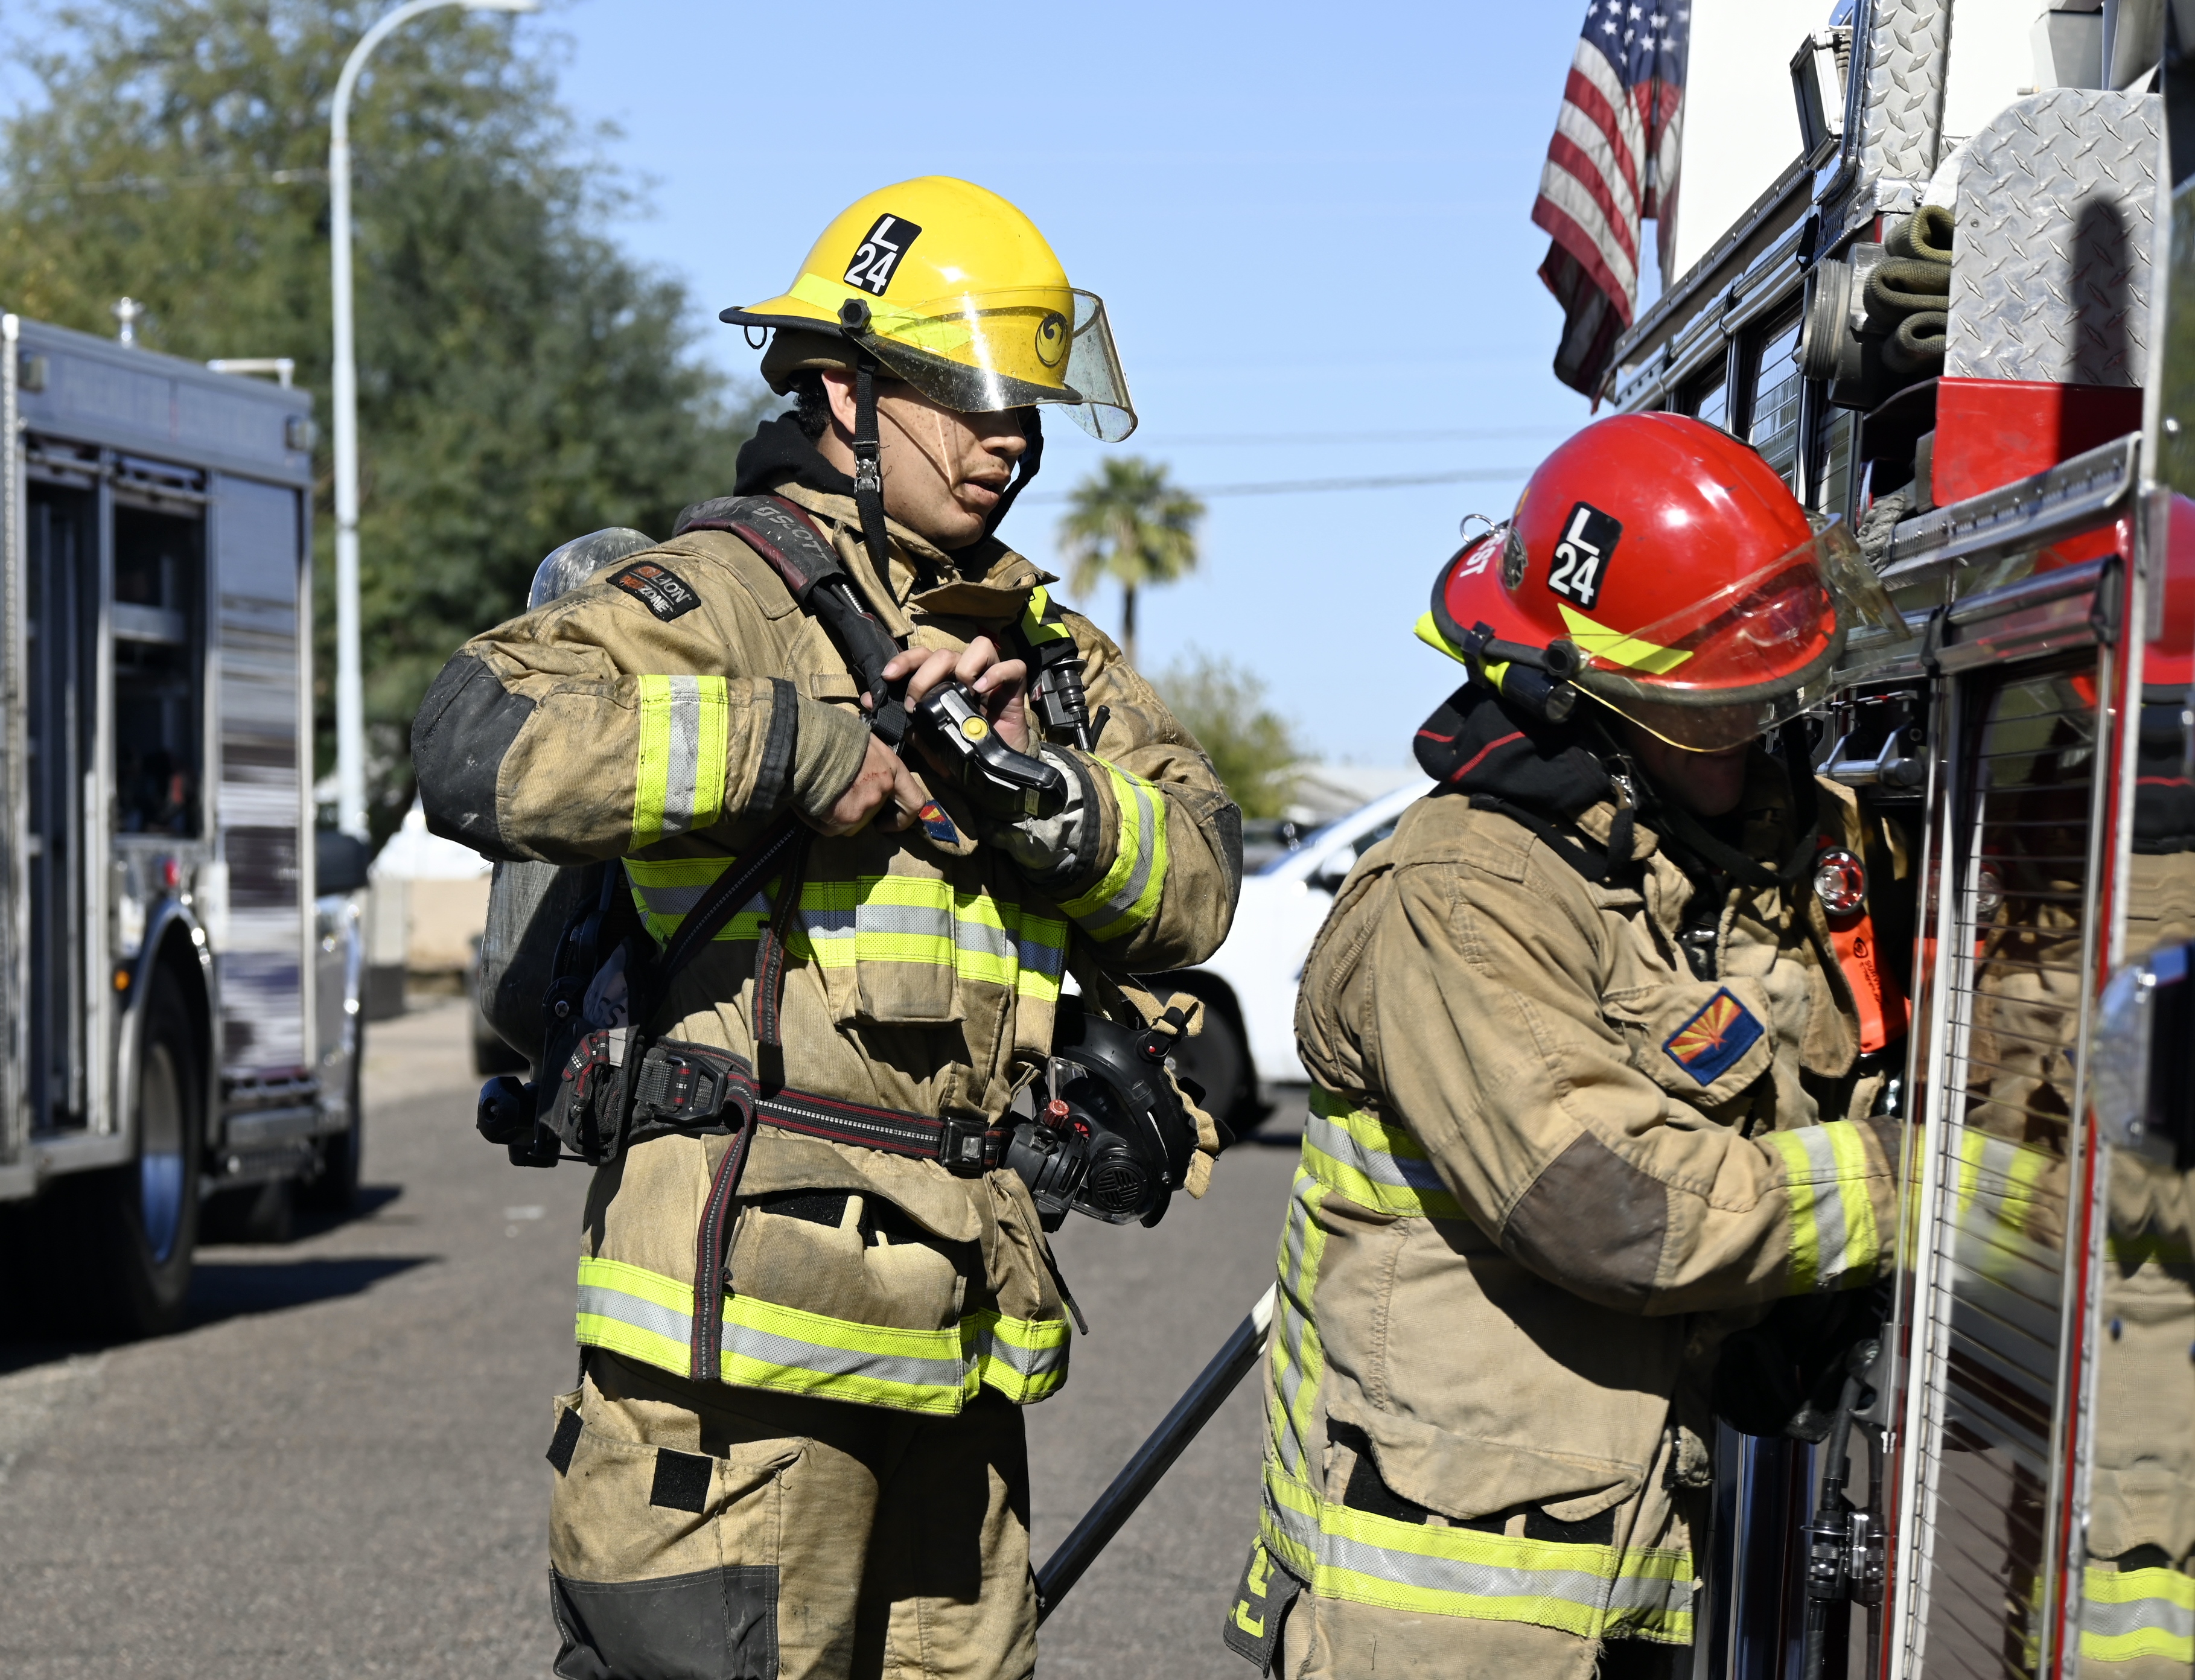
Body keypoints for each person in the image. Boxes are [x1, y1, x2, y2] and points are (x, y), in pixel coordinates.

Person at [412, 175, 1241, 1680]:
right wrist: (791, 747)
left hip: (960, 1383)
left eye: (1026, 406)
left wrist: (1046, 792)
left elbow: (1199, 881)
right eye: (969, 397)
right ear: (844, 391)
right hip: (730, 1388)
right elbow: (476, 739)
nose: (1010, 437)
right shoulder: (723, 597)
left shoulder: (1047, 655)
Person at [1222, 413, 1908, 1680]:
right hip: (1439, 1621)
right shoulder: (1463, 895)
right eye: (1720, 709)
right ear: (1588, 703)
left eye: (1773, 697)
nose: (1762, 735)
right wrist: (1912, 1187)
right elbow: (1612, 1209)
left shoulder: (1671, 869)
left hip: (1609, 1582)